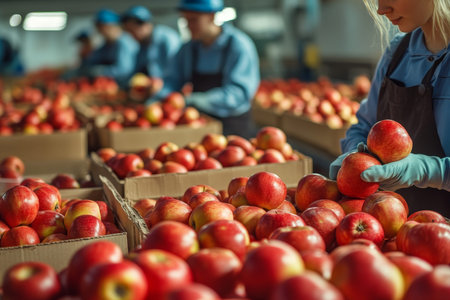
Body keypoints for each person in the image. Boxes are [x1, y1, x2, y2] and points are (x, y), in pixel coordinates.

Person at [329, 0, 450, 216]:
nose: (381, 9)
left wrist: (427, 171)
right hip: (394, 232)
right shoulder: (397, 53)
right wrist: (355, 157)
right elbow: (364, 126)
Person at [158, 0, 260, 138]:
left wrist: (195, 100)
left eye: (193, 20)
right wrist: (160, 99)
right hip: (200, 123)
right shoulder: (188, 48)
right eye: (185, 20)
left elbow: (239, 93)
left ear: (212, 17)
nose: (188, 26)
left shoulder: (238, 46)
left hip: (233, 126)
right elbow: (173, 80)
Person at [81, 9, 139, 87]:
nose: (99, 32)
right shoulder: (107, 45)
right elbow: (92, 61)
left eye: (100, 27)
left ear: (110, 26)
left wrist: (100, 71)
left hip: (127, 86)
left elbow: (123, 71)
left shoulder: (124, 43)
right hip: (112, 87)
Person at [121, 5, 181, 81]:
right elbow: (137, 71)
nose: (132, 36)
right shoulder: (142, 46)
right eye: (129, 32)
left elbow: (177, 72)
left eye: (133, 31)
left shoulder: (167, 38)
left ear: (146, 24)